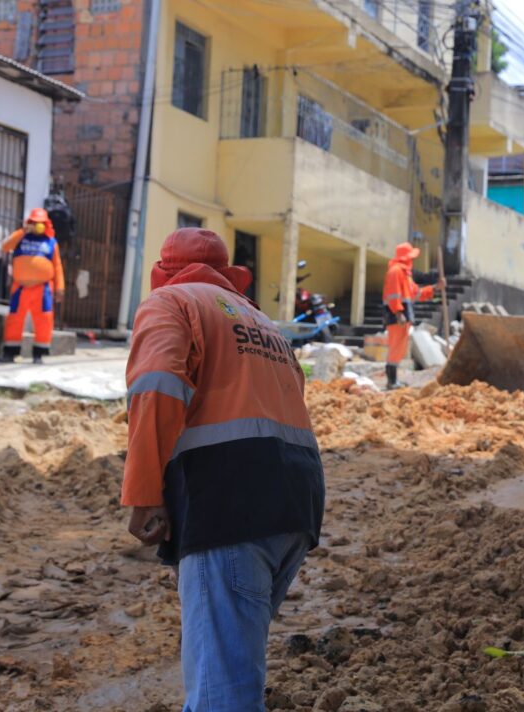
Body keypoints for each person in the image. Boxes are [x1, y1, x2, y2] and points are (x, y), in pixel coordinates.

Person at [122, 227, 324, 711]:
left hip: (231, 504)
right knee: (228, 663)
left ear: (162, 272)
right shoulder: (262, 323)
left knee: (222, 691)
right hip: (297, 503)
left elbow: (156, 387)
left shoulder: (172, 301)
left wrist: (144, 491)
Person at [0, 208, 64, 363]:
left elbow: (57, 266)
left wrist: (59, 287)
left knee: (44, 320)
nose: (37, 226)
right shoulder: (21, 238)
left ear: (46, 224)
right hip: (20, 288)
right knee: (15, 319)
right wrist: (23, 231)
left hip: (43, 289)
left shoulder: (51, 242)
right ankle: (10, 352)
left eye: (40, 223)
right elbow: (5, 246)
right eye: (34, 222)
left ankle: (39, 354)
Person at [382, 242, 444, 390]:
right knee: (395, 348)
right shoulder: (395, 272)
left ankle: (394, 380)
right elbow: (392, 295)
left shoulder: (405, 274)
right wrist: (398, 312)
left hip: (402, 316)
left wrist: (435, 288)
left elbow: (416, 293)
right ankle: (391, 382)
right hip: (396, 316)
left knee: (399, 349)